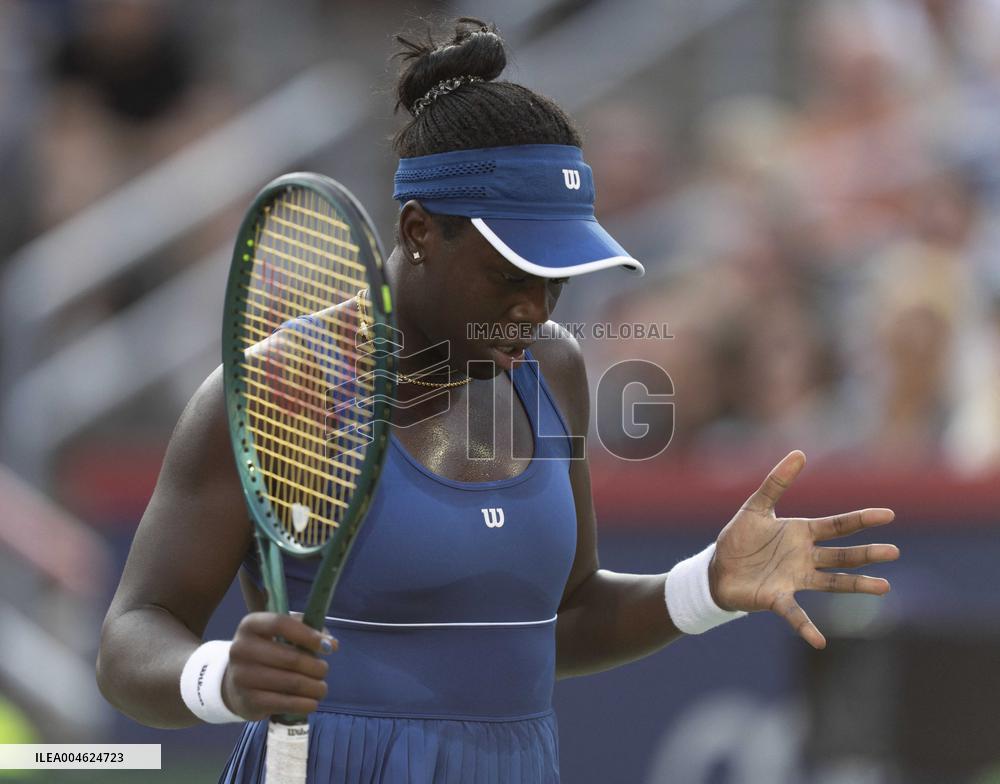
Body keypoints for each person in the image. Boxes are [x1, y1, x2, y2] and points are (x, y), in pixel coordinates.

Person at [96, 18, 900, 784]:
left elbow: (565, 618)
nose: (537, 307)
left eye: (555, 277)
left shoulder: (552, 369)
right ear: (418, 230)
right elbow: (132, 636)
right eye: (512, 274)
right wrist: (221, 677)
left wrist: (706, 586)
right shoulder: (281, 389)